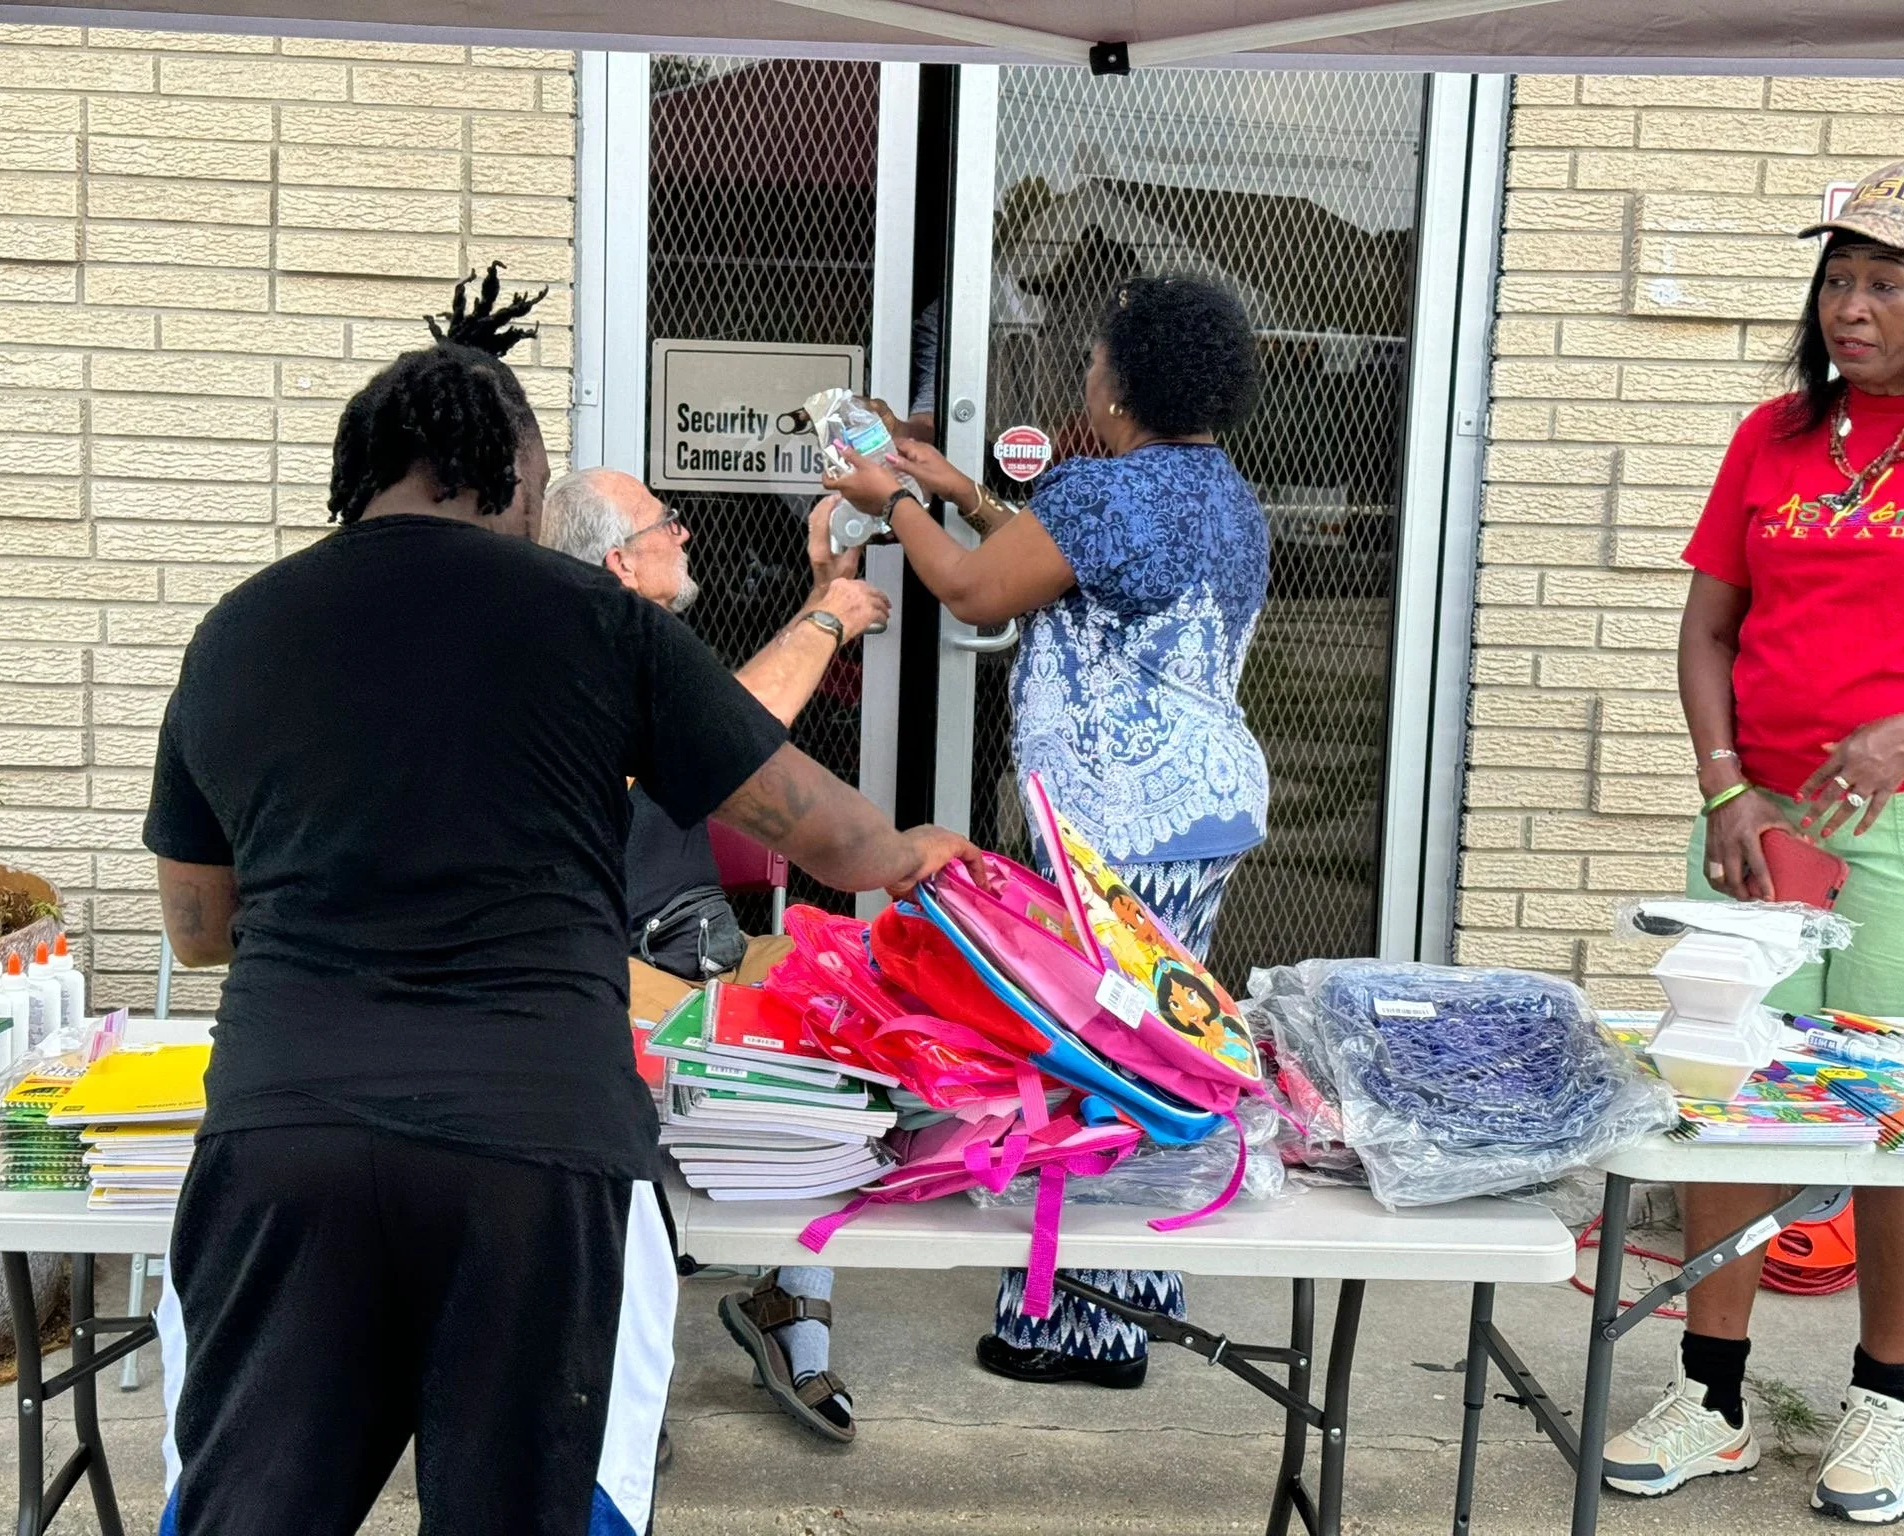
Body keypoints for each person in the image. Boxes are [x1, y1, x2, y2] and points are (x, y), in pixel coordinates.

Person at [145, 267, 983, 1536]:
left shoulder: (237, 631)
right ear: (520, 479)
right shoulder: (594, 617)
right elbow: (818, 829)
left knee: (254, 1508)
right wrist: (910, 847)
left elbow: (198, 931)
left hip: (288, 1130)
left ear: (358, 473)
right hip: (530, 1146)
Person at [821, 272, 1269, 1388]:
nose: (1086, 374)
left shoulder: (1105, 497)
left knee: (1099, 1059)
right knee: (1146, 1053)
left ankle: (1091, 1332)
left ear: (1118, 381)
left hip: (1121, 824)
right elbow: (1054, 562)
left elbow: (976, 594)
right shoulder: (1214, 493)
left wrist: (895, 502)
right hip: (1193, 812)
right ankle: (1128, 1308)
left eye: (1094, 359)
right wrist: (963, 488)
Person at [1603, 161, 1904, 1521]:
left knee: (1898, 1119)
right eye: (1839, 280)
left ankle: (1889, 1404)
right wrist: (1725, 786)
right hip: (1754, 822)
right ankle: (1712, 1392)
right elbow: (1707, 629)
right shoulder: (1773, 438)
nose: (1852, 306)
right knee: (1724, 1090)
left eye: (1887, 282)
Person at [540, 467, 885, 1444]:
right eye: (668, 524)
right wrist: (827, 616)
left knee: (842, 1017)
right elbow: (737, 727)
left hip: (697, 953)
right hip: (605, 969)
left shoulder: (648, 643)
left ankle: (787, 1303)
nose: (687, 537)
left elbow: (728, 720)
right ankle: (608, 1363)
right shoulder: (573, 654)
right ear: (618, 558)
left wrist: (827, 583)